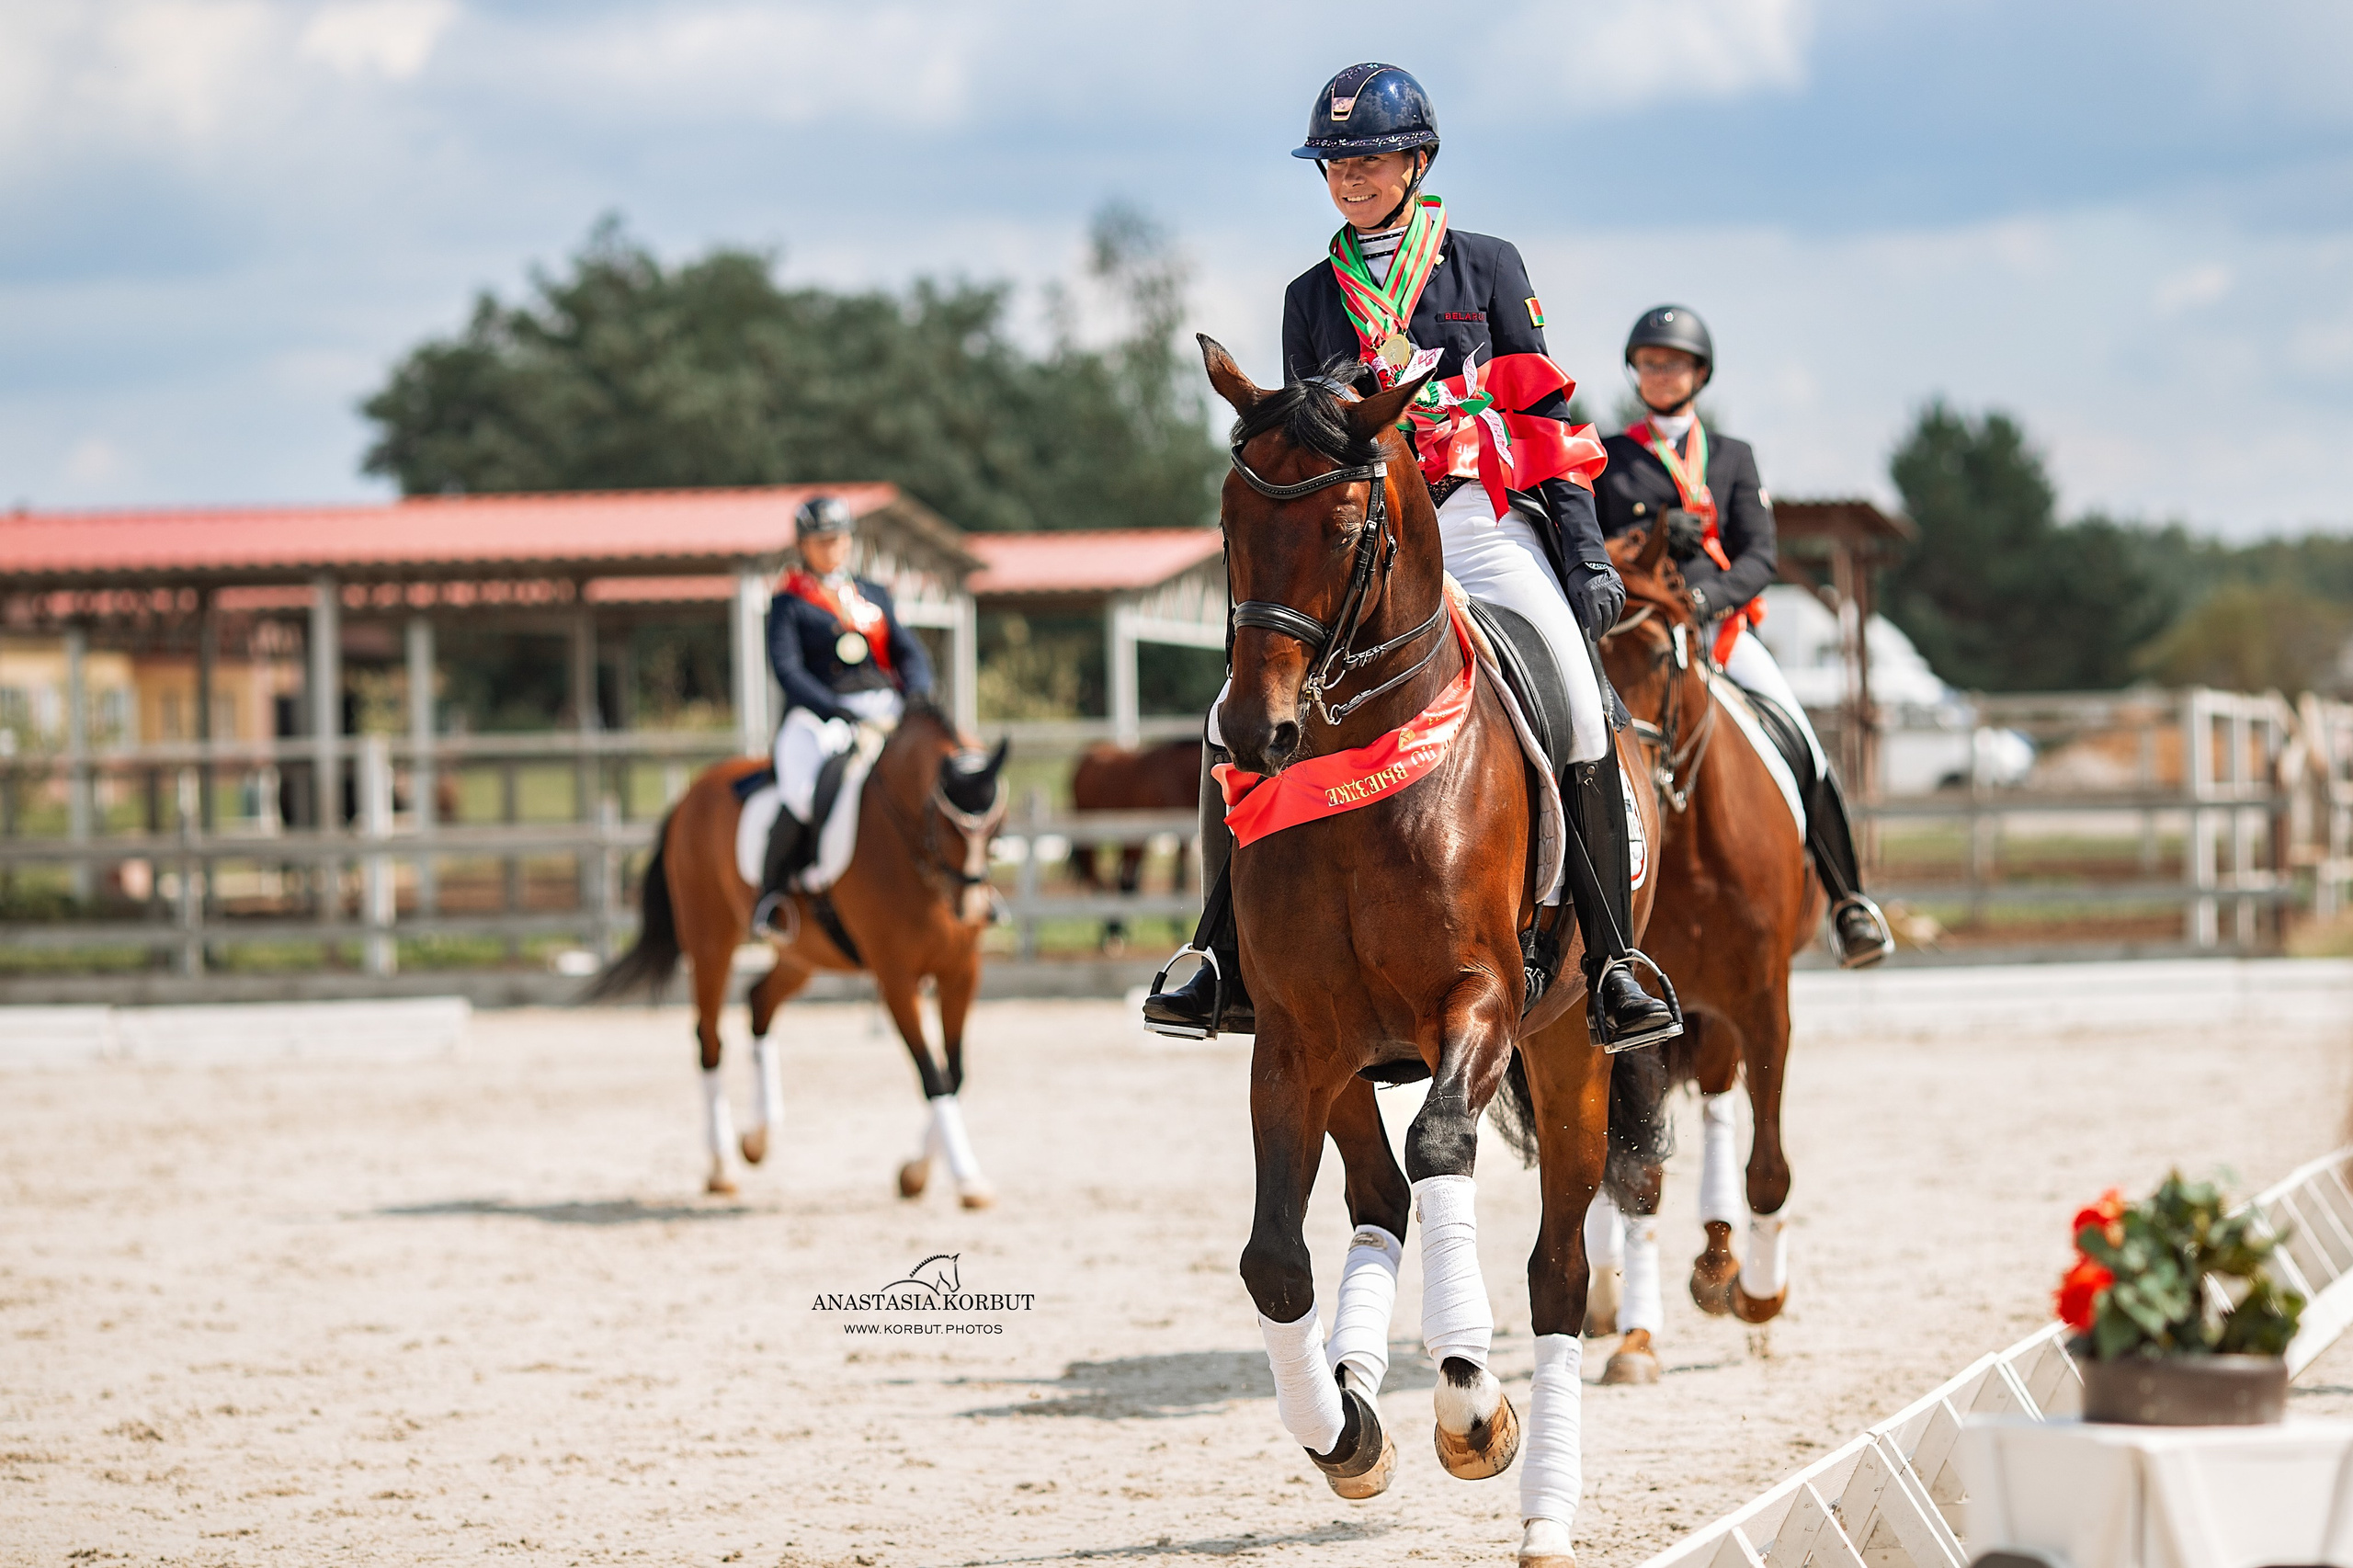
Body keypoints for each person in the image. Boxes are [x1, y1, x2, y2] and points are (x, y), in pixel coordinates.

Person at [1143, 62, 1679, 1050]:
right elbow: (1310, 446)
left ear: (1416, 159)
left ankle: (1611, 960)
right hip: (1364, 551)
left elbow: (1540, 414)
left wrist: (1584, 551)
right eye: (1333, 162)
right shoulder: (1313, 297)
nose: (1348, 176)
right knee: (1234, 719)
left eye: (1367, 157)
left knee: (1578, 701)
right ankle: (1216, 950)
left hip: (1478, 522)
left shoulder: (1487, 268)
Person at [1597, 304, 1893, 967]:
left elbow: (1759, 555)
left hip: (1718, 629)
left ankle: (1850, 905)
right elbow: (1588, 543)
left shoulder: (1732, 459)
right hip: (1638, 631)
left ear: (1699, 373)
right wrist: (1640, 541)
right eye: (1649, 363)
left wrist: (1705, 599)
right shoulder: (1609, 457)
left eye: (1673, 363)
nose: (1660, 373)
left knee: (1804, 744)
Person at [750, 495, 935, 939]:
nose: (832, 548)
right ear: (804, 546)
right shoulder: (789, 603)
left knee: (936, 770)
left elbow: (909, 652)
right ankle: (774, 894)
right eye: (821, 541)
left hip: (885, 708)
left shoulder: (874, 593)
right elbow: (788, 670)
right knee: (801, 792)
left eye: (838, 539)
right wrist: (836, 710)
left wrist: (916, 695)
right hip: (820, 715)